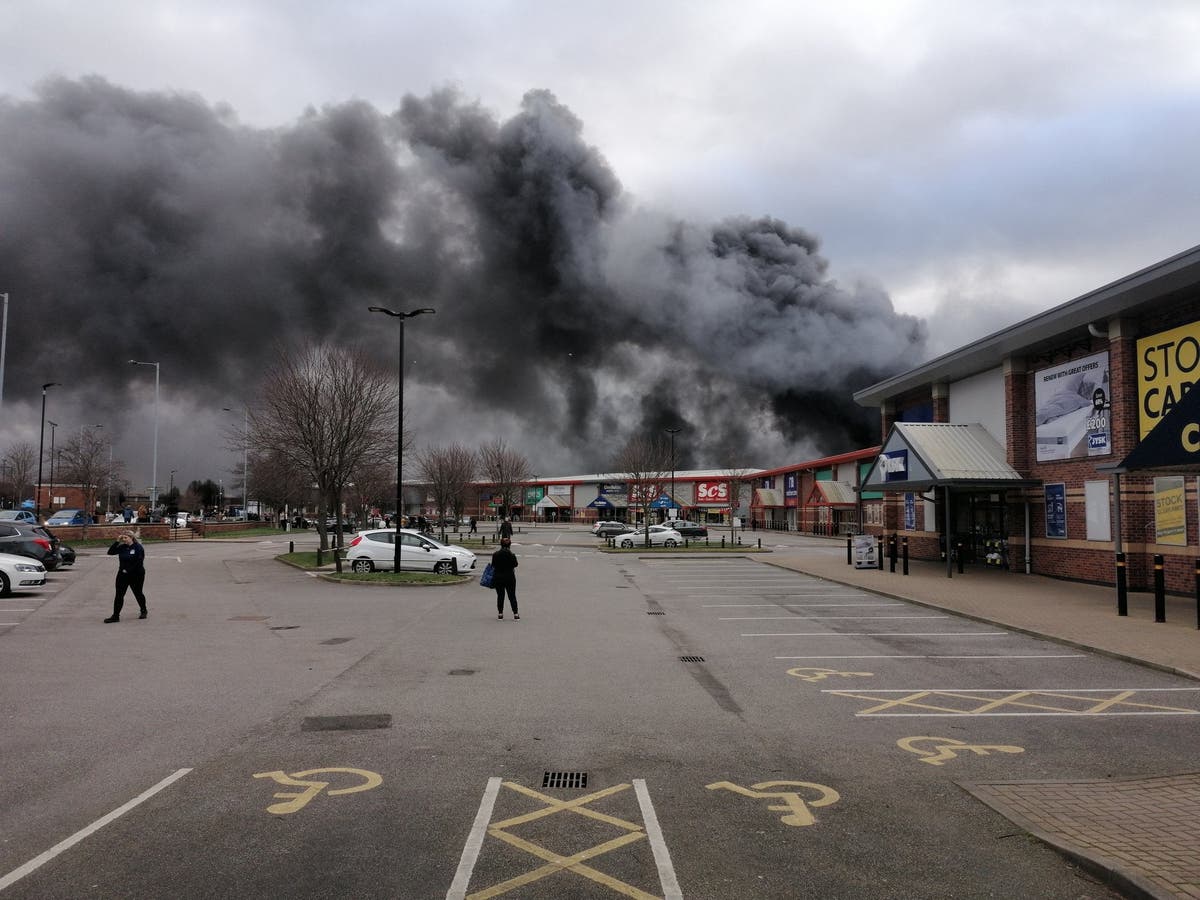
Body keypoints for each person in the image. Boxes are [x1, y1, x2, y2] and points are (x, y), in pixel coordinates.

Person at [105, 529, 148, 623]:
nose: (124, 539)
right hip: (122, 575)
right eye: (123, 538)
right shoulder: (122, 547)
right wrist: (117, 541)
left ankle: (143, 610)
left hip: (136, 575)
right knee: (119, 595)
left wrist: (128, 570)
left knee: (138, 593)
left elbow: (139, 562)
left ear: (131, 538)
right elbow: (110, 552)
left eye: (126, 537)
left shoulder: (138, 547)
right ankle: (115, 616)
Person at [491, 536, 519, 620]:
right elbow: (515, 564)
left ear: (501, 545)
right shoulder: (512, 555)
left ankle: (500, 614)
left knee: (500, 596)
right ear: (509, 545)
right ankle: (516, 614)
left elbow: (493, 565)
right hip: (510, 577)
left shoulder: (495, 554)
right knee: (512, 596)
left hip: (498, 577)